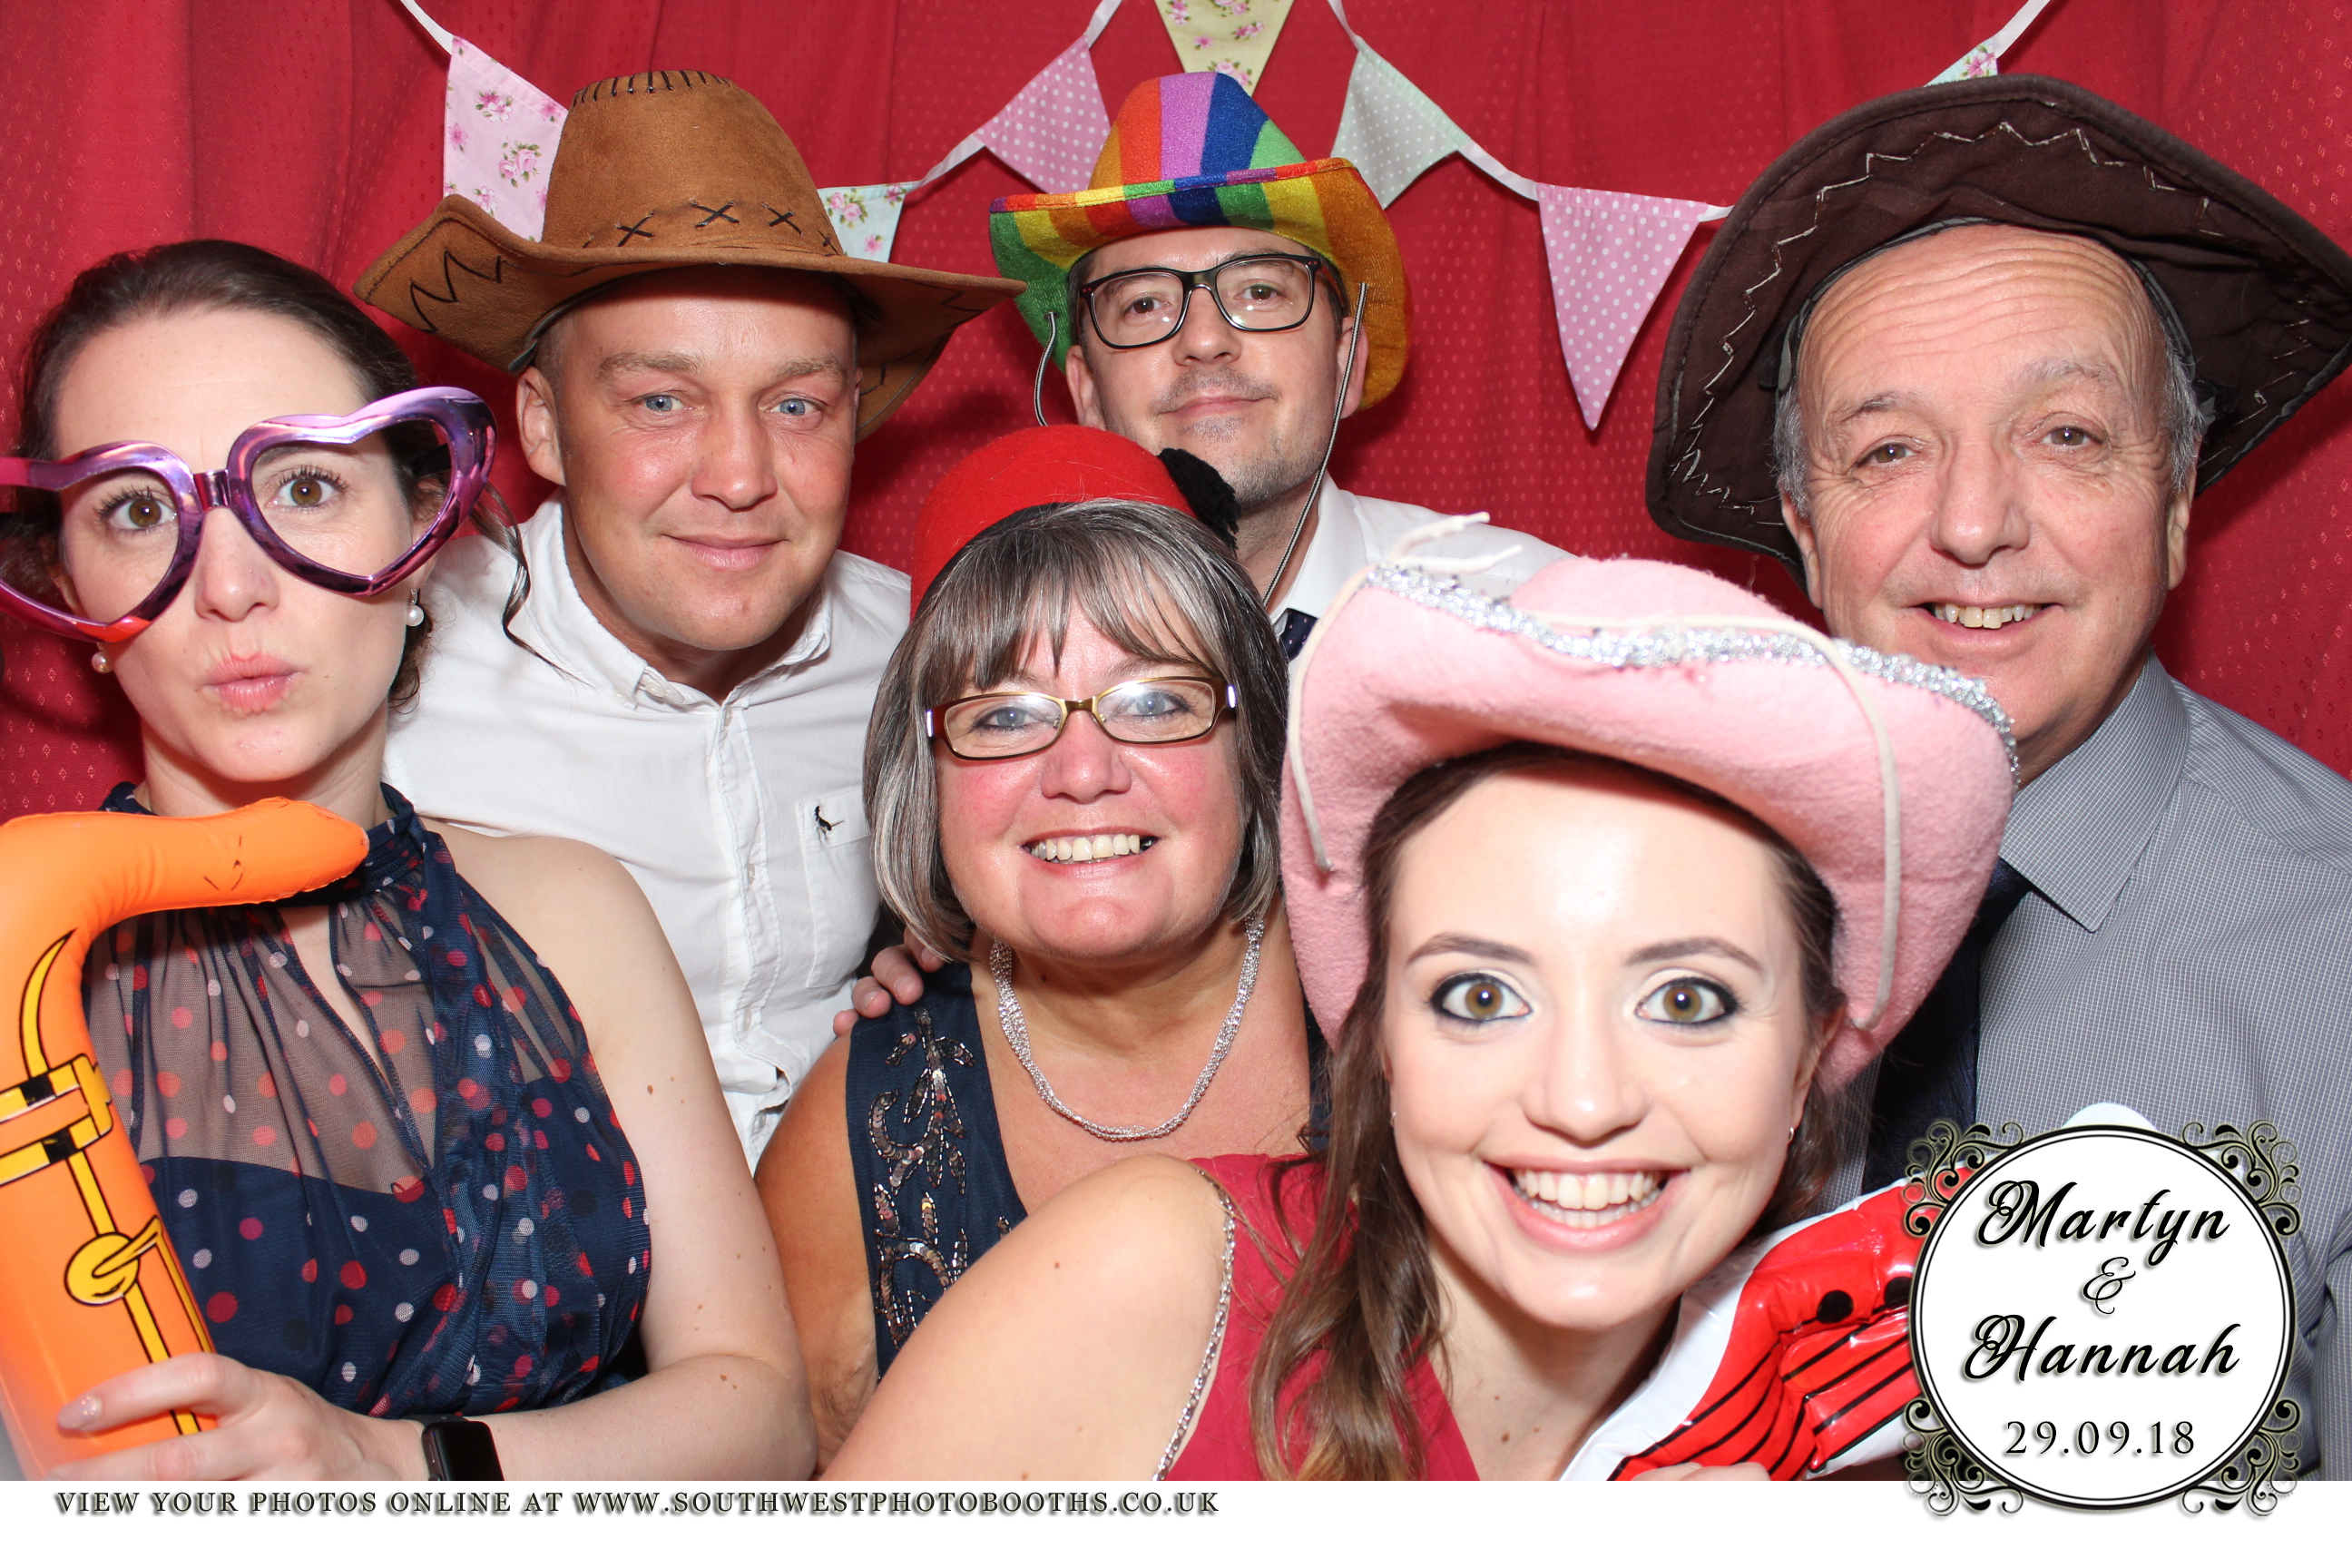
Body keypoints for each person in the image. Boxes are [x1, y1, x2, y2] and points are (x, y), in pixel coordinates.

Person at [825, 549, 2015, 1480]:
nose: (1583, 1100)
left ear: (1811, 1053)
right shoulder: (1155, 1284)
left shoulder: (1862, 1444)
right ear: (1379, 1035)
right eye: (1481, 996)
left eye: (1688, 999)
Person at [0, 240, 809, 1481]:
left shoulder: (569, 910)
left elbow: (757, 1416)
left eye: (307, 490)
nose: (230, 585)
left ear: (422, 525)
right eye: (137, 510)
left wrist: (396, 1469)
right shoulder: (21, 979)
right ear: (72, 590)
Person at [1643, 75, 2352, 1472]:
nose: (1973, 523)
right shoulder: (1637, 895)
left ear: (2176, 497)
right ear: (1803, 524)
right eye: (1890, 450)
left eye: (2067, 434)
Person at [355, 71, 1024, 1160]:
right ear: (544, 424)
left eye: (796, 405)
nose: (740, 475)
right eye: (661, 402)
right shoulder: (390, 667)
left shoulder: (929, 655)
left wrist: (958, 963)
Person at [757, 433, 1310, 1465]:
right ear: (925, 782)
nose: (1083, 771)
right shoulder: (863, 1130)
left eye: (1156, 702)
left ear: (1254, 740)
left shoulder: (1404, 1022)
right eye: (1005, 715)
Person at [991, 70, 1564, 656]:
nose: (1205, 339)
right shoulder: (990, 652)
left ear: (1345, 362)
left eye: (1260, 292)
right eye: (1144, 304)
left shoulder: (1537, 625)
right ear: (1085, 391)